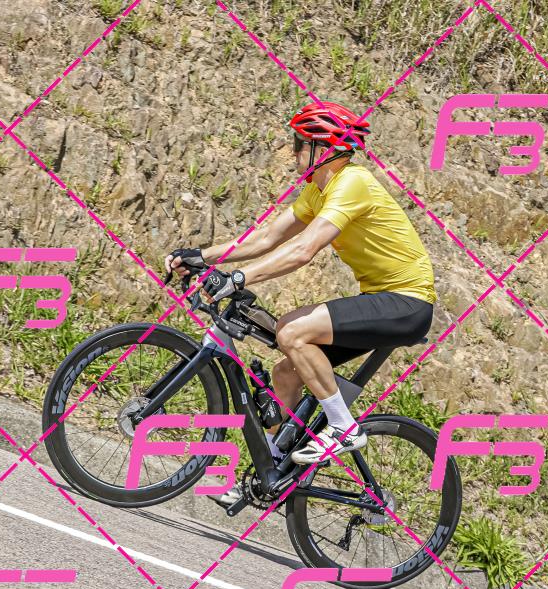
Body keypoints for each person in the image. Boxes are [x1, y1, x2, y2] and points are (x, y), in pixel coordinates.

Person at [164, 101, 437, 507]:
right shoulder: (318, 190)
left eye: (298, 144)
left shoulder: (352, 182)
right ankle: (271, 473)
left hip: (407, 301)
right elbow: (267, 238)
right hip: (381, 298)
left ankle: (343, 427)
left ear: (322, 148)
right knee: (287, 373)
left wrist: (238, 278)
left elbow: (303, 250)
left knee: (291, 330)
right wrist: (203, 257)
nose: (292, 152)